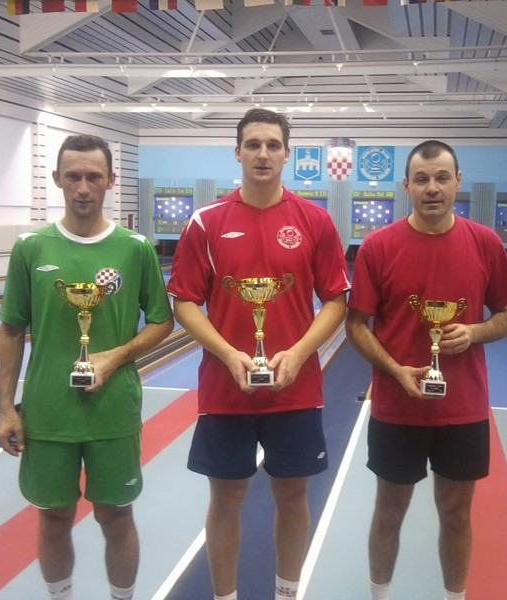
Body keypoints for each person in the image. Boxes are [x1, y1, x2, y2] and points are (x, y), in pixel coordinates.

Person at [167, 108, 349, 600]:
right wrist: (229, 354)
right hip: (226, 388)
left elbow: (336, 300)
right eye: (253, 144)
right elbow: (184, 301)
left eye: (272, 145)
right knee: (226, 496)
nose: (263, 154)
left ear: (287, 154)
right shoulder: (206, 222)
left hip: (296, 386)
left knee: (292, 494)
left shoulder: (314, 220)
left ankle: (286, 594)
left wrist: (300, 351)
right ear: (238, 153)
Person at [0, 134, 174, 600]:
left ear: (111, 181)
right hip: (48, 412)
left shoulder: (135, 248)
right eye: (73, 176)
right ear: (57, 179)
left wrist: (115, 356)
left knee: (115, 515)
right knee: (54, 517)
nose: (83, 187)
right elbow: (10, 329)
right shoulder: (31, 248)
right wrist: (6, 408)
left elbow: (162, 322)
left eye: (94, 177)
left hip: (112, 411)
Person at [345, 140, 507, 600]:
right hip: (396, 407)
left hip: (463, 409)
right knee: (389, 509)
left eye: (442, 177)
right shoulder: (379, 247)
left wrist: (475, 332)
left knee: (456, 512)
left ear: (458, 182)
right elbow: (355, 325)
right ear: (407, 186)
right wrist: (394, 369)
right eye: (421, 179)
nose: (432, 188)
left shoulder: (486, 243)